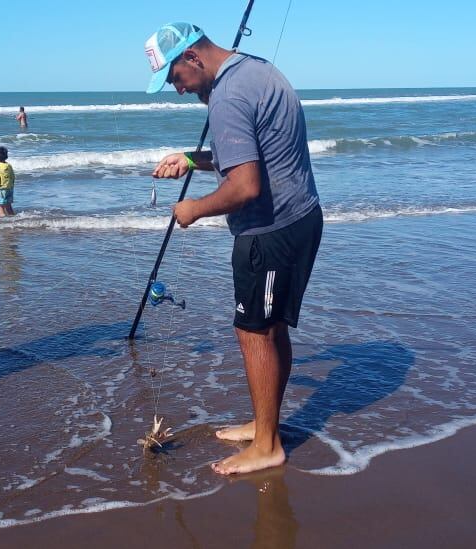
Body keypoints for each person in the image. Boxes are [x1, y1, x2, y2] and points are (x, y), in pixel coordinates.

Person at [145, 23, 323, 474]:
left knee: (254, 332)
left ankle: (267, 445)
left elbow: (244, 185)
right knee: (270, 327)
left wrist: (193, 210)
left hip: (270, 231)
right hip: (300, 217)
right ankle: (265, 425)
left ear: (193, 58)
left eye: (175, 80)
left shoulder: (227, 97)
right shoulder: (256, 71)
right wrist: (191, 158)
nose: (179, 92)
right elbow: (248, 157)